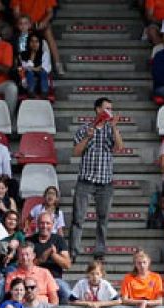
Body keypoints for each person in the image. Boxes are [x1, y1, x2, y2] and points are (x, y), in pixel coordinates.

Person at [71, 97, 121, 256]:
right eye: (107, 108)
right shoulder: (84, 128)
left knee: (103, 219)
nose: (109, 112)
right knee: (78, 218)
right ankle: (74, 250)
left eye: (111, 109)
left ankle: (100, 250)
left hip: (105, 182)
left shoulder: (110, 130)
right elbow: (76, 152)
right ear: (98, 110)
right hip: (86, 180)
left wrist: (114, 128)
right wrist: (88, 137)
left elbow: (119, 148)